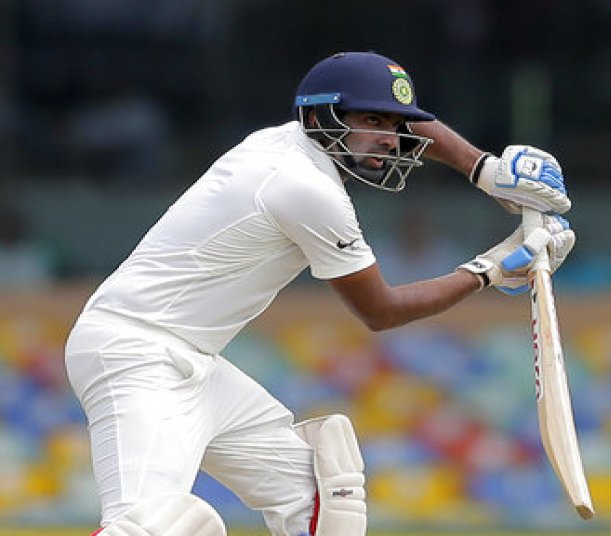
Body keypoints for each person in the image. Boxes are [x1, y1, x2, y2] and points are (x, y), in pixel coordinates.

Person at [65, 51, 575, 536]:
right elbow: (381, 310)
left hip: (194, 361)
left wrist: (486, 170)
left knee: (321, 493)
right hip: (134, 356)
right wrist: (489, 269)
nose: (390, 139)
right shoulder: (304, 187)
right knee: (155, 524)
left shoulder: (286, 139)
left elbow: (395, 115)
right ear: (324, 115)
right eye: (374, 123)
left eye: (395, 126)